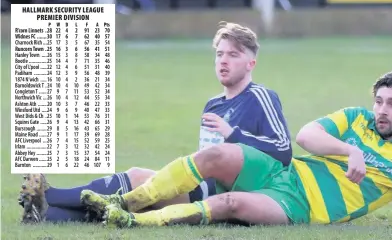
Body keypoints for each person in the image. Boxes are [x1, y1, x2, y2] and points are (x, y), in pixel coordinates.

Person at [80, 69, 392, 228]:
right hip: (285, 172)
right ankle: (126, 202)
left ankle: (132, 221)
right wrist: (349, 150)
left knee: (230, 205)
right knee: (216, 155)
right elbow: (304, 136)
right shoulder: (356, 118)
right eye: (379, 101)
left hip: (300, 206)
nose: (382, 111)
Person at [19, 21, 292, 224]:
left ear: (250, 63)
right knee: (142, 203)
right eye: (220, 54)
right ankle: (48, 215)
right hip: (204, 185)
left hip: (239, 194)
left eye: (233, 54)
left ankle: (51, 196)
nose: (223, 60)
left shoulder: (260, 96)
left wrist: (233, 133)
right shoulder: (214, 104)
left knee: (140, 178)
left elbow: (283, 151)